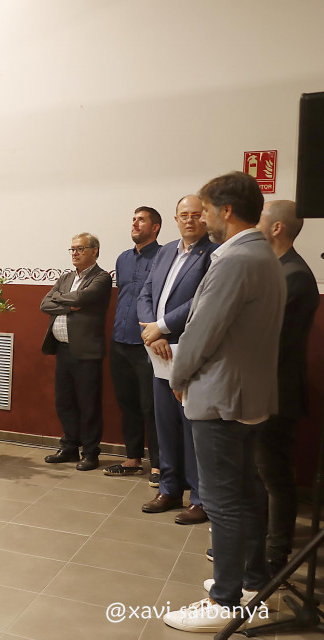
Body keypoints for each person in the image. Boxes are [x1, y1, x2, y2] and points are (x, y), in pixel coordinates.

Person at [162, 172, 284, 633]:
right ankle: (251, 581)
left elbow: (202, 331)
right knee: (246, 490)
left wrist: (179, 375)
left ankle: (225, 600)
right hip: (247, 393)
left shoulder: (234, 259)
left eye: (208, 210)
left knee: (222, 499)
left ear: (226, 211)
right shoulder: (262, 254)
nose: (205, 218)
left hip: (221, 395)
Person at [137, 194, 216, 525]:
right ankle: (169, 489)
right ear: (175, 219)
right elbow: (145, 293)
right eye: (184, 215)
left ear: (205, 218)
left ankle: (199, 499)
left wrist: (163, 327)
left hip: (189, 351)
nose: (189, 220)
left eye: (196, 214)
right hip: (158, 351)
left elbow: (202, 300)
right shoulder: (166, 250)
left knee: (191, 428)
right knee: (165, 425)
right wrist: (152, 332)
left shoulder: (213, 253)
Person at [254, 199, 319, 577]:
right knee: (260, 472)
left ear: (277, 228)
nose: (256, 225)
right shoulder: (276, 268)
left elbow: (269, 339)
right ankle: (257, 543)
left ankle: (275, 555)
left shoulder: (294, 275)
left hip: (277, 391)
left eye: (261, 220)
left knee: (274, 475)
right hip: (263, 387)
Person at [40, 232, 112, 471]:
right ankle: (70, 447)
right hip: (63, 349)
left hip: (86, 351)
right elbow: (44, 304)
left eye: (80, 249)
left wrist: (61, 299)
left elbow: (82, 297)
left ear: (94, 251)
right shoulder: (65, 278)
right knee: (64, 401)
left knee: (88, 404)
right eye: (72, 249)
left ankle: (90, 452)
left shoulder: (101, 278)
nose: (75, 253)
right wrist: (70, 305)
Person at [104, 207, 161, 480]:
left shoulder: (164, 257)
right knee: (127, 404)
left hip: (148, 344)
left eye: (142, 220)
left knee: (151, 407)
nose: (135, 223)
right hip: (119, 341)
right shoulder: (123, 259)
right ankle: (133, 458)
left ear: (156, 227)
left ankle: (159, 465)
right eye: (134, 219)